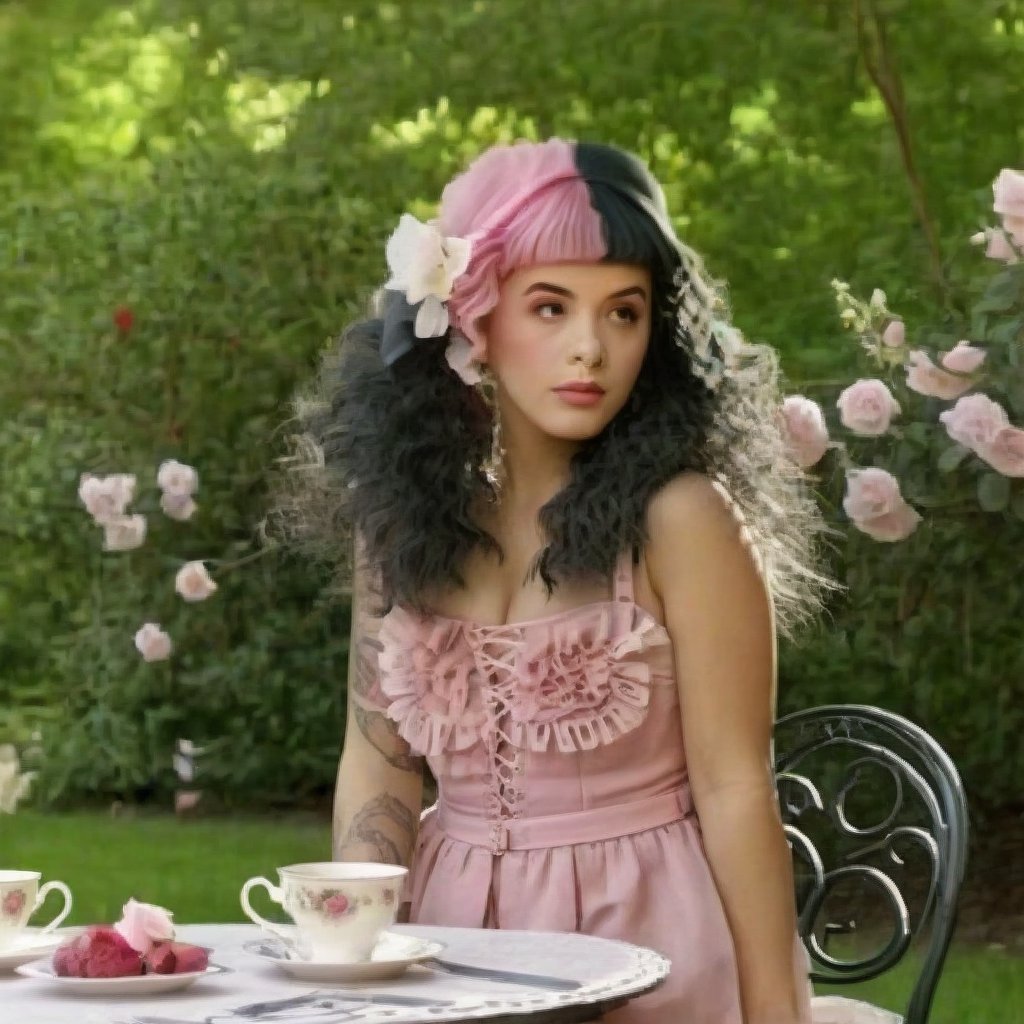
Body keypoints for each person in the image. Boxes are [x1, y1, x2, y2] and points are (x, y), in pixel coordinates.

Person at [285, 138, 834, 1023]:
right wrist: (351, 955)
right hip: (444, 948)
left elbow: (735, 784)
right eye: (551, 307)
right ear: (474, 314)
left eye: (625, 312)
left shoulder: (682, 518)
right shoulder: (398, 525)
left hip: (647, 946)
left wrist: (776, 1012)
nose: (591, 348)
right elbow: (380, 760)